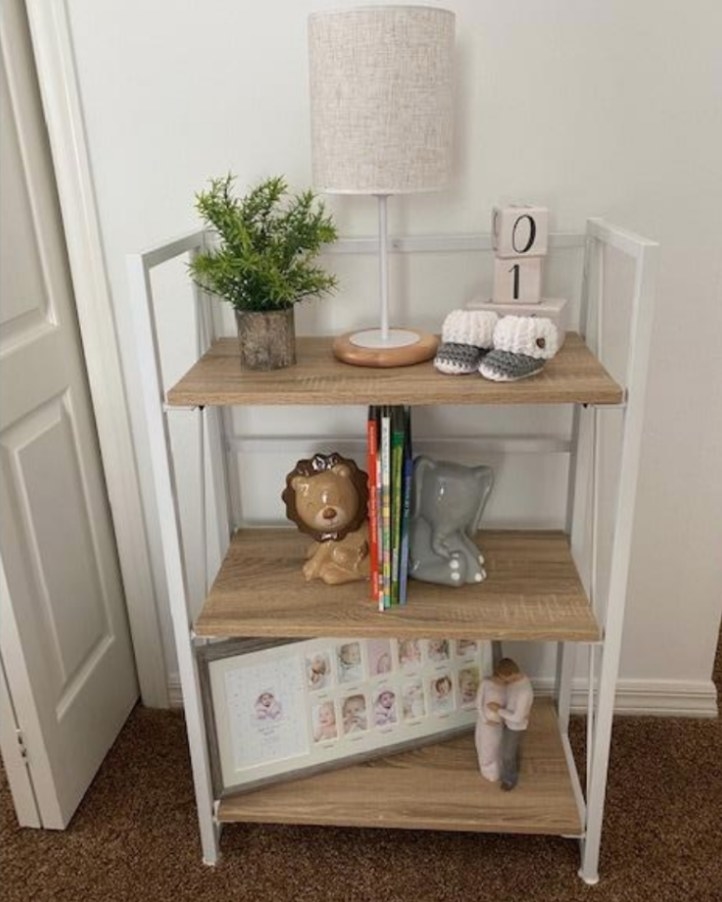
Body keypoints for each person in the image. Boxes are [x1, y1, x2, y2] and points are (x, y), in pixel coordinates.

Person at [486, 658, 534, 791]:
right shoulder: (514, 683)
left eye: (504, 679)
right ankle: (512, 764)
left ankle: (509, 779)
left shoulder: (524, 692)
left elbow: (518, 717)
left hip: (515, 726)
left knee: (507, 753)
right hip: (508, 721)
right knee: (510, 750)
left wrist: (498, 710)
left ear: (510, 674)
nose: (503, 682)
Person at [474, 671, 507, 782]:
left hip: (498, 723)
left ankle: (497, 767)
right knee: (486, 746)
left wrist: (502, 716)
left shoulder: (506, 688)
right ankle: (486, 767)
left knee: (497, 746)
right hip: (486, 724)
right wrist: (485, 720)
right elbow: (479, 703)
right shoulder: (486, 684)